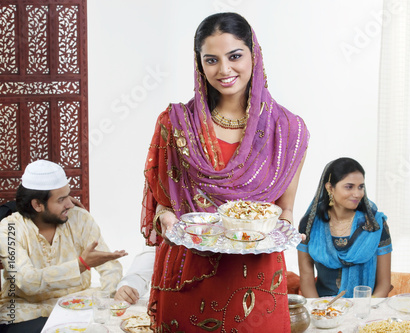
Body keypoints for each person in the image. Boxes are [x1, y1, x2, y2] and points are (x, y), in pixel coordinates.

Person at [141, 12, 308, 332]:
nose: (224, 69)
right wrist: (165, 217)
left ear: (254, 55)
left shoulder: (287, 130)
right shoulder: (175, 124)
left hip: (257, 280)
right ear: (199, 64)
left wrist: (284, 228)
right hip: (190, 274)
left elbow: (285, 209)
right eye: (211, 60)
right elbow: (163, 200)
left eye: (235, 56)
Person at [0, 160, 127, 333]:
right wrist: (80, 265)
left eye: (68, 195)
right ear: (37, 205)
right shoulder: (10, 229)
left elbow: (110, 268)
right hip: (25, 314)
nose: (70, 204)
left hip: (77, 308)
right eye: (61, 199)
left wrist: (107, 301)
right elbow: (27, 282)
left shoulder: (79, 218)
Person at [297, 158, 392, 298]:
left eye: (361, 186)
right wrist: (322, 312)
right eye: (349, 187)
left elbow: (383, 284)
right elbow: (306, 281)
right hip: (322, 308)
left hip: (366, 309)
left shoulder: (375, 225)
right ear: (330, 188)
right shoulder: (310, 225)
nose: (358, 193)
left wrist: (363, 313)